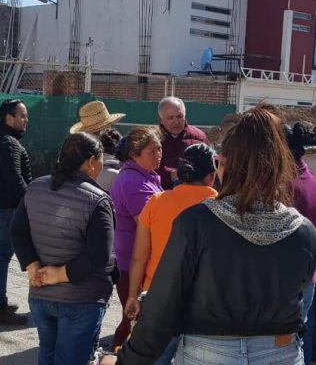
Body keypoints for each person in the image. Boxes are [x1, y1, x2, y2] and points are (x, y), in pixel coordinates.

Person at [101, 106, 316, 365]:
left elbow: (162, 308)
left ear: (225, 167)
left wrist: (125, 360)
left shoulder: (195, 222)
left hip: (207, 353)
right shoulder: (302, 231)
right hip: (282, 353)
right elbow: (301, 303)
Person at [10, 132, 118, 365]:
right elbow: (99, 256)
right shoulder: (98, 200)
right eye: (101, 158)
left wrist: (33, 267)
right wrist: (59, 275)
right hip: (81, 300)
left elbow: (18, 232)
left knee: (47, 355)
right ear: (91, 161)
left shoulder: (35, 187)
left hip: (40, 295)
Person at [125, 143, 218, 364]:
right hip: (203, 304)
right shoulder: (221, 206)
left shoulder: (157, 202)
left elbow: (139, 256)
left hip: (157, 298)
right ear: (211, 176)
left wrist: (132, 295)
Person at [110, 127, 163, 350]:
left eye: (160, 148)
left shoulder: (143, 176)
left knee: (132, 320)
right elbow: (151, 224)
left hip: (134, 260)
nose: (158, 154)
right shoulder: (134, 182)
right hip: (133, 262)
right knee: (135, 321)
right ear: (134, 154)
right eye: (152, 151)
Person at [0, 99, 31, 324]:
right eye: (22, 116)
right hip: (6, 208)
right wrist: (31, 203)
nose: (25, 120)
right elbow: (16, 180)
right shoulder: (8, 143)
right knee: (1, 256)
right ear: (9, 118)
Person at [285, 122, 316, 365]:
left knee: (291, 344)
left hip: (287, 278)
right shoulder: (311, 181)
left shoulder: (285, 186)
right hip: (309, 276)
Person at [157, 96, 208, 190]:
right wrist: (170, 175)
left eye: (179, 116)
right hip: (161, 195)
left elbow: (209, 167)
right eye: (170, 118)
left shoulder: (199, 137)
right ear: (161, 119)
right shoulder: (153, 139)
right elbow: (144, 169)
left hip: (194, 195)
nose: (176, 122)